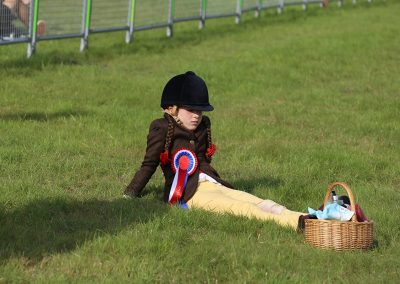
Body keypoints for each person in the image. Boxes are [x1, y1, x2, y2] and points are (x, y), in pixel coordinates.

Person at [124, 71, 305, 230]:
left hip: (212, 182)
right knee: (241, 208)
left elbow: (202, 158)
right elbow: (149, 164)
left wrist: (214, 181)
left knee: (252, 199)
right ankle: (294, 224)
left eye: (200, 111)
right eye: (191, 110)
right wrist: (130, 193)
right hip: (188, 193)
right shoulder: (161, 128)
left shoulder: (203, 126)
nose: (197, 115)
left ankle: (305, 217)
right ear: (171, 108)